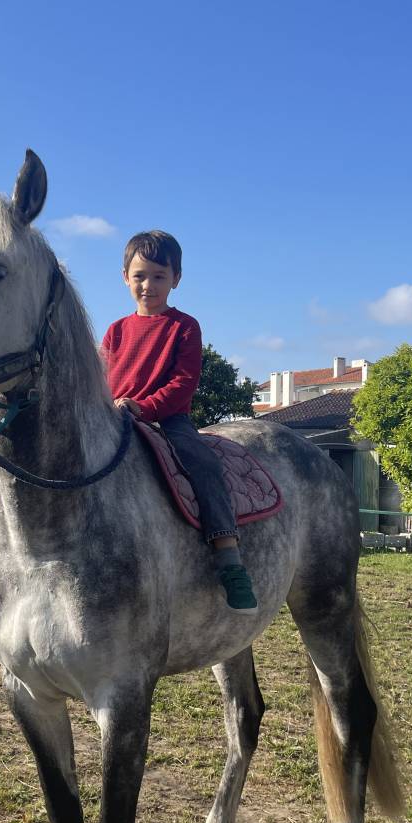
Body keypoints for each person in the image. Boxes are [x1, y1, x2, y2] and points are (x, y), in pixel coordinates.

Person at [101, 230, 258, 612]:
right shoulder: (115, 331)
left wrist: (142, 407)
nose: (147, 285)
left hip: (167, 421)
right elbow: (99, 378)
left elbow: (183, 383)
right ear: (125, 277)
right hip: (114, 418)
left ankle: (227, 554)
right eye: (139, 276)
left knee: (201, 460)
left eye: (158, 276)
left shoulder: (184, 327)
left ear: (176, 279)